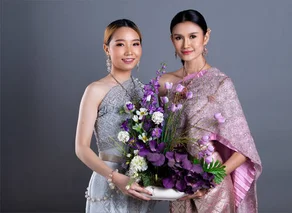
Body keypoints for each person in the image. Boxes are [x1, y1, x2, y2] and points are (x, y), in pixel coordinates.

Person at [158, 9, 262, 213]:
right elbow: (157, 135)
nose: (186, 44)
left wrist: (208, 179)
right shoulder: (164, 83)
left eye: (193, 36)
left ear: (206, 37)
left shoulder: (219, 84)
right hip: (178, 184)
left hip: (211, 186)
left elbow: (243, 149)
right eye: (179, 38)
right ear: (172, 41)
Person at [75, 19, 156, 212]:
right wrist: (115, 177)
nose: (129, 51)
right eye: (120, 44)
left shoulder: (145, 92)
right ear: (106, 48)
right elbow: (81, 148)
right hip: (108, 181)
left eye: (135, 44)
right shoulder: (95, 90)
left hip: (138, 182)